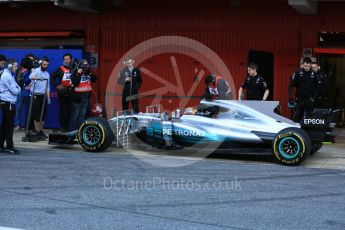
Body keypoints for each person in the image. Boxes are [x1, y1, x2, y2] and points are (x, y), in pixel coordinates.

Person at [69, 60, 97, 131]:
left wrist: (90, 73)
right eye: (84, 65)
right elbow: (75, 83)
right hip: (77, 97)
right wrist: (79, 73)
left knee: (82, 115)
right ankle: (72, 131)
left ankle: (80, 131)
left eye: (87, 65)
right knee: (75, 115)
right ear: (80, 66)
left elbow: (95, 80)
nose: (86, 67)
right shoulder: (75, 72)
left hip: (86, 96)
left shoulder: (88, 72)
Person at [0, 59, 21, 154]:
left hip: (8, 102)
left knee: (5, 125)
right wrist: (17, 89)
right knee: (9, 126)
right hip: (8, 103)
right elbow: (16, 90)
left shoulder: (9, 75)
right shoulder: (6, 76)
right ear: (9, 66)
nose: (17, 68)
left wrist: (17, 89)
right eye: (15, 66)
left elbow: (18, 88)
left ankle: (0, 145)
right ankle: (9, 146)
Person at [288, 57, 318, 122]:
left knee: (310, 120)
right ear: (303, 65)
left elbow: (317, 87)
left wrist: (314, 98)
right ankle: (295, 131)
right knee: (296, 119)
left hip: (309, 100)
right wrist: (290, 98)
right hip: (299, 100)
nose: (306, 67)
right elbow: (290, 86)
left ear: (310, 65)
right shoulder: (297, 73)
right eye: (305, 66)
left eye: (308, 66)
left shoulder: (314, 74)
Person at [29, 57, 51, 139]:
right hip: (36, 95)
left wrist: (48, 97)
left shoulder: (47, 74)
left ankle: (41, 131)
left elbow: (48, 86)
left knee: (43, 114)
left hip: (44, 95)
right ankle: (37, 131)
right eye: (44, 64)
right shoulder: (36, 71)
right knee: (37, 114)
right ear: (41, 64)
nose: (45, 66)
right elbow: (30, 77)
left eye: (47, 65)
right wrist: (39, 78)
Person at [50, 53, 73, 131]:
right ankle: (63, 127)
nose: (66, 61)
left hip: (71, 92)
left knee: (70, 110)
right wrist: (56, 86)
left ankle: (69, 127)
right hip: (62, 92)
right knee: (63, 110)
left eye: (68, 59)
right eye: (65, 59)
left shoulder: (73, 69)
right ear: (63, 60)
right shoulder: (60, 69)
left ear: (70, 60)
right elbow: (52, 77)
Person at [15, 54, 34, 131]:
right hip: (20, 92)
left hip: (29, 93)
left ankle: (28, 126)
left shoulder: (33, 69)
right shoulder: (19, 69)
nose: (30, 62)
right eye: (29, 60)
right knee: (18, 109)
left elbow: (31, 80)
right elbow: (17, 79)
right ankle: (18, 125)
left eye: (31, 60)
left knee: (28, 110)